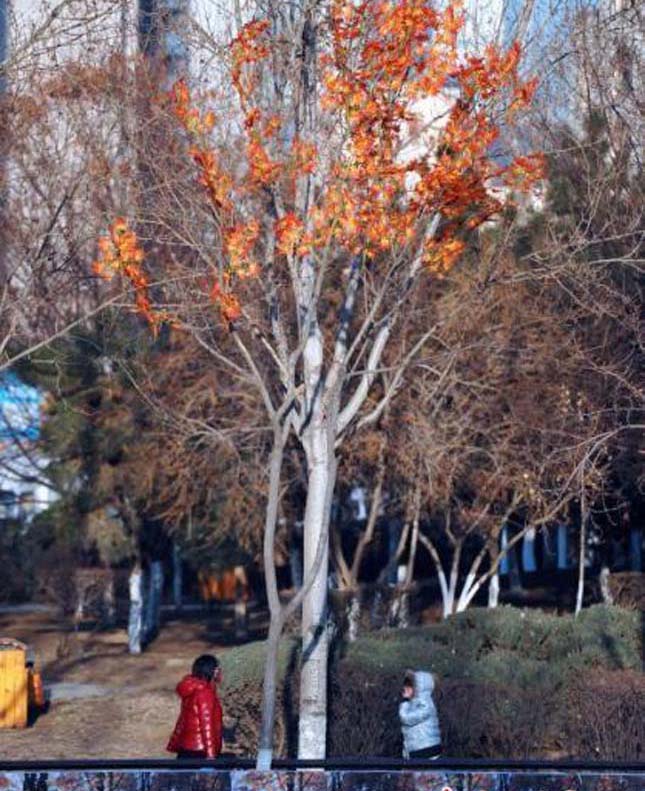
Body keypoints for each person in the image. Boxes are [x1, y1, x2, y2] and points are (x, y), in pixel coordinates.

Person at [167, 654, 223, 759]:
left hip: (186, 747)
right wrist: (211, 755)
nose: (219, 672)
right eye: (216, 669)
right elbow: (207, 725)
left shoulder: (193, 689)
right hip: (200, 751)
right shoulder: (204, 693)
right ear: (210, 670)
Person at [399, 669, 441, 760]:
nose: (405, 688)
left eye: (409, 686)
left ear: (418, 688)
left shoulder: (425, 705)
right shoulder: (414, 704)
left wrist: (404, 703)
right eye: (405, 685)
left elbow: (406, 718)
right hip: (418, 750)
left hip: (426, 750)